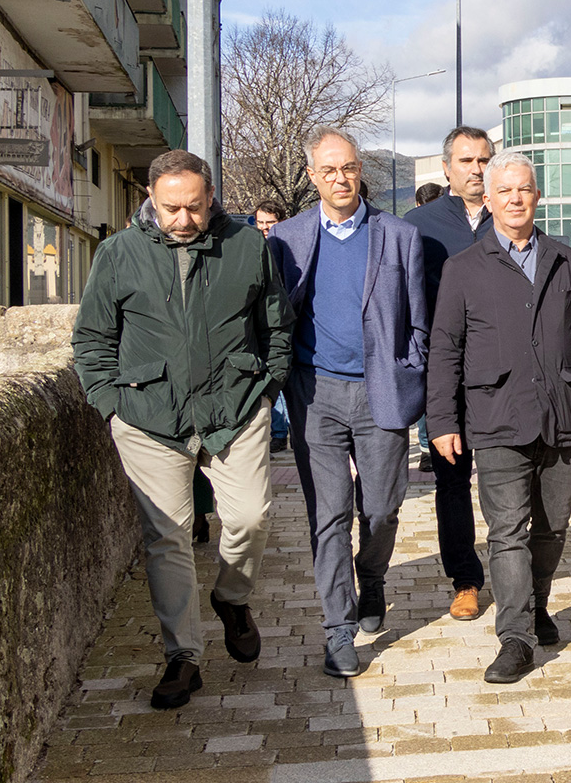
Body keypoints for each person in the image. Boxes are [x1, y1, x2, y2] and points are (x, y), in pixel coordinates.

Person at [71, 149, 291, 710]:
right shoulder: (118, 254)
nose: (183, 220)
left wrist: (267, 388)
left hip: (235, 409)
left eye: (194, 207)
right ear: (151, 199)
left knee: (250, 516)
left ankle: (232, 598)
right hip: (148, 417)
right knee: (167, 535)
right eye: (171, 208)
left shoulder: (247, 246)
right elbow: (92, 338)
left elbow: (276, 325)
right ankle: (182, 657)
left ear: (211, 198)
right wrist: (108, 405)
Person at [428, 150, 571, 683]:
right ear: (487, 200)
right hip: (495, 417)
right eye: (504, 190)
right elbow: (444, 349)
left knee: (552, 527)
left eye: (524, 189)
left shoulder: (565, 260)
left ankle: (535, 602)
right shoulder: (463, 268)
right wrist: (442, 419)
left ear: (539, 197)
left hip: (559, 413)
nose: (515, 198)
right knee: (507, 530)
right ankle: (515, 638)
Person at [268, 128, 429, 678]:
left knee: (381, 508)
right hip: (316, 394)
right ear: (312, 175)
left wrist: (412, 369)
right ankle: (338, 630)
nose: (340, 178)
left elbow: (418, 319)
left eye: (350, 168)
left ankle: (374, 577)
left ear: (362, 171)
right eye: (329, 170)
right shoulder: (285, 239)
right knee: (328, 514)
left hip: (381, 390)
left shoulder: (399, 235)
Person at [403, 126, 496, 622]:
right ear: (446, 168)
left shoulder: (512, 216)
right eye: (466, 161)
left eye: (484, 159)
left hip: (505, 375)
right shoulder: (417, 226)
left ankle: (516, 570)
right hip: (448, 375)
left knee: (508, 481)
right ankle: (465, 579)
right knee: (453, 481)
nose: (477, 169)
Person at [251, 200, 293, 454]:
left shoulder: (286, 247)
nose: (265, 228)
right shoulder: (250, 247)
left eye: (271, 223)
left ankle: (285, 430)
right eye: (261, 223)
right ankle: (278, 432)